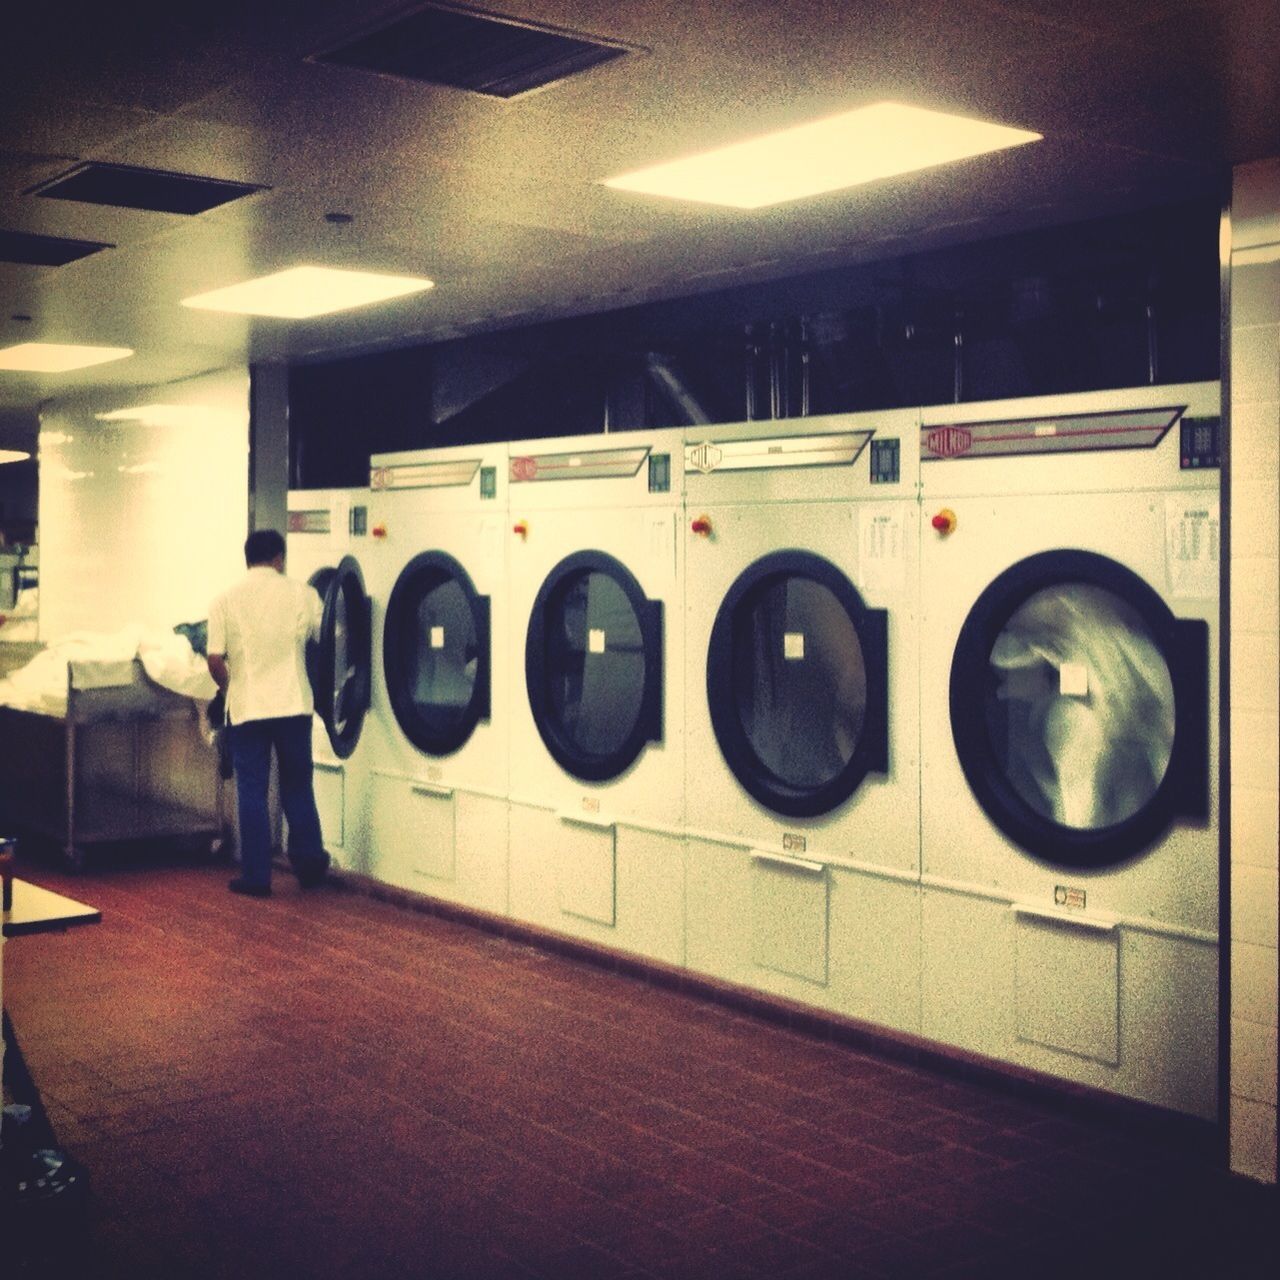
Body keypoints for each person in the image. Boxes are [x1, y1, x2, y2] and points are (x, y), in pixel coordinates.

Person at [207, 529, 330, 897]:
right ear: (279, 558)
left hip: (249, 708)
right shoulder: (304, 594)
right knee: (297, 784)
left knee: (252, 791)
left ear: (248, 559)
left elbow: (215, 660)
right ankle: (308, 864)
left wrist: (233, 688)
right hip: (294, 704)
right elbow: (328, 640)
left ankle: (257, 877)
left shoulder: (224, 600)